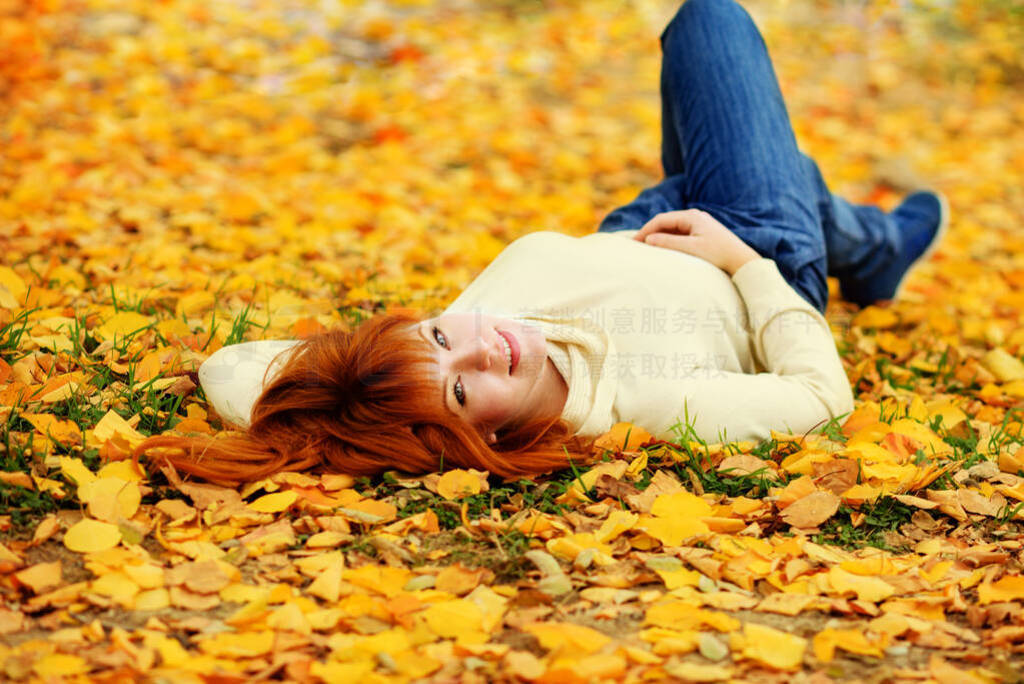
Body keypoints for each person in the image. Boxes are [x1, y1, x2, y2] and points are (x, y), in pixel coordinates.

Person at [134, 0, 947, 486]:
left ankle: (874, 246)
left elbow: (231, 371)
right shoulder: (650, 405)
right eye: (460, 391)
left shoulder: (429, 357)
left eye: (443, 337)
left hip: (638, 227)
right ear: (474, 441)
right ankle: (861, 247)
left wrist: (329, 423)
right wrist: (744, 262)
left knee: (779, 165)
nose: (483, 348)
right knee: (711, 21)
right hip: (751, 253)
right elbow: (822, 400)